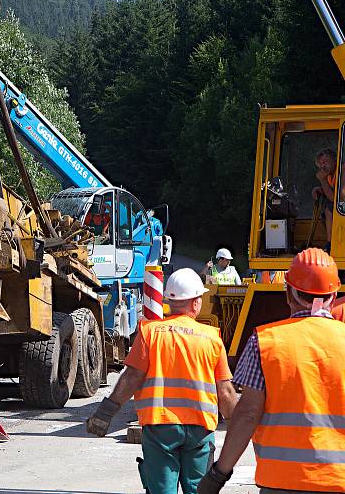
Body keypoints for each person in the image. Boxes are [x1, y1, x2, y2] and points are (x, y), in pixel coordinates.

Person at [199, 248, 345, 494]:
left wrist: (218, 474)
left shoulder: (265, 341)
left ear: (288, 292)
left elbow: (247, 414)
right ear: (333, 294)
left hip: (281, 482)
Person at [87, 268, 238, 494]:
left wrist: (106, 412)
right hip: (200, 427)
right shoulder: (211, 338)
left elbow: (132, 377)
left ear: (168, 301)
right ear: (196, 303)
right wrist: (239, 427)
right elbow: (225, 392)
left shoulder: (150, 333)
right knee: (199, 490)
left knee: (162, 490)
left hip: (160, 427)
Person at [312, 148, 336, 250]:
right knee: (325, 209)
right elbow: (333, 191)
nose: (323, 166)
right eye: (321, 163)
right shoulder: (330, 176)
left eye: (326, 162)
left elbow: (334, 199)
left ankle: (330, 243)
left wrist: (322, 180)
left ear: (335, 161)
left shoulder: (342, 171)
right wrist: (320, 189)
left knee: (330, 206)